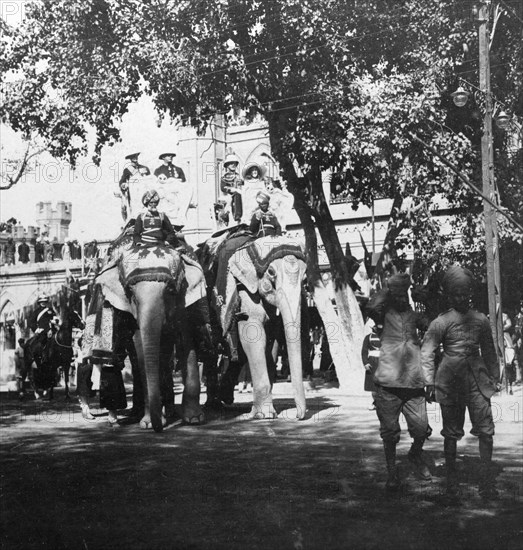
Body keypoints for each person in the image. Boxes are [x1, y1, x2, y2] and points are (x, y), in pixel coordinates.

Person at [421, 265, 500, 500]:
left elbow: (489, 350)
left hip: (478, 381)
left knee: (486, 432)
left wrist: (495, 377)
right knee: (451, 433)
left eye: (464, 293)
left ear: (470, 293)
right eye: (455, 293)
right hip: (450, 380)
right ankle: (451, 483)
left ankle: (486, 482)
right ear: (448, 295)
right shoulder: (440, 322)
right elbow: (427, 352)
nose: (460, 297)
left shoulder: (481, 320)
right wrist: (429, 383)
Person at [366, 273, 431, 491]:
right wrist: (389, 288)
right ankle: (392, 473)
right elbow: (371, 305)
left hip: (413, 383)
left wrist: (426, 296)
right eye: (398, 294)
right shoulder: (383, 315)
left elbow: (432, 325)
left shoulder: (414, 316)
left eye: (405, 293)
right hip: (387, 384)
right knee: (390, 433)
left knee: (422, 429)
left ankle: (415, 454)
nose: (402, 297)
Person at [118, 152, 151, 221]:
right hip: (134, 193)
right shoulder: (127, 170)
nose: (135, 158)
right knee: (136, 209)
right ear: (130, 159)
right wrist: (123, 185)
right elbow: (122, 181)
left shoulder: (144, 168)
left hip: (144, 190)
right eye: (133, 157)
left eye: (136, 156)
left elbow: (150, 179)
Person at [361, 322, 381, 411]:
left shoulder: (386, 337)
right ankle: (375, 402)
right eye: (375, 327)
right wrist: (365, 363)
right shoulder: (368, 337)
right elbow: (364, 351)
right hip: (372, 362)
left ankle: (383, 404)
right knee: (373, 386)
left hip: (384, 361)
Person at [220, 152, 243, 223]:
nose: (233, 165)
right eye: (230, 163)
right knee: (236, 195)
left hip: (241, 194)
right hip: (229, 195)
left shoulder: (239, 176)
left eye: (234, 163)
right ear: (227, 165)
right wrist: (231, 189)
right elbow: (223, 187)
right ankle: (237, 215)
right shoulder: (225, 177)